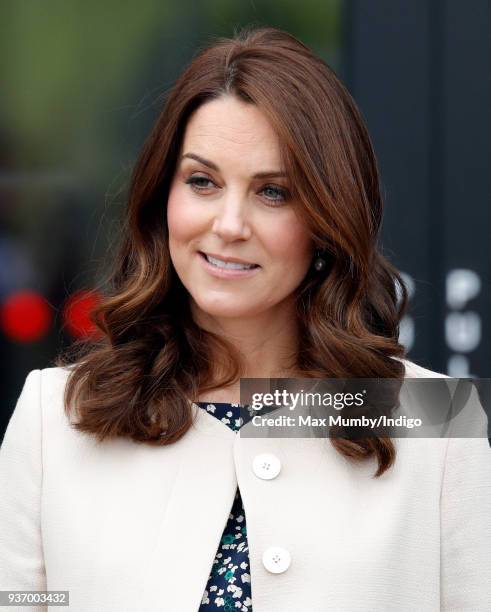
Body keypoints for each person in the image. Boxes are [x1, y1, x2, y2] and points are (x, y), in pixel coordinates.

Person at [0, 26, 490, 612]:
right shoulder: (55, 417)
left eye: (273, 192)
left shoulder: (435, 419)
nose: (229, 224)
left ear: (327, 219)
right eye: (202, 182)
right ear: (163, 198)